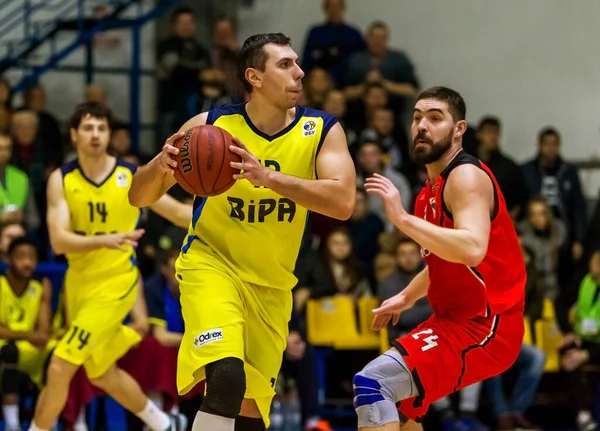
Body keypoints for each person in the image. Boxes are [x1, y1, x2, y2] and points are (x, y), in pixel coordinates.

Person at [128, 33, 356, 431]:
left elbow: (342, 202)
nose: (299, 73)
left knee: (250, 415)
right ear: (254, 76)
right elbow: (138, 196)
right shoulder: (210, 127)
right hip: (211, 265)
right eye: (285, 65)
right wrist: (159, 167)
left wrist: (269, 177)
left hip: (271, 286)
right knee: (227, 377)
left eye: (297, 63)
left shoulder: (321, 129)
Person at [353, 86, 525, 431]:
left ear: (459, 129)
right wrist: (406, 296)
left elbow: (472, 248)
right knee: (402, 410)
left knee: (372, 383)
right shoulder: (427, 194)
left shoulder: (466, 176)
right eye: (417, 118)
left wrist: (401, 220)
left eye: (435, 118)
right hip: (452, 320)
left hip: (489, 325)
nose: (422, 126)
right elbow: (443, 261)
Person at [27, 101, 194, 431]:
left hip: (116, 283)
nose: (95, 134)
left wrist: (228, 217)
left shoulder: (129, 175)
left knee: (60, 365)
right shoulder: (61, 179)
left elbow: (176, 212)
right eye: (88, 127)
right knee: (101, 372)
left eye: (102, 128)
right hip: (79, 284)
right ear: (74, 134)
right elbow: (59, 242)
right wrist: (106, 239)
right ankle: (164, 423)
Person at [0, 237, 53, 431]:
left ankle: (48, 420)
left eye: (32, 257)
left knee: (56, 354)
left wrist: (46, 300)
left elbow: (43, 332)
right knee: (9, 353)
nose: (27, 262)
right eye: (21, 257)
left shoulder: (38, 288)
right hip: (5, 348)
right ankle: (12, 423)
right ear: (9, 259)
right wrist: (26, 335)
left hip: (29, 352)